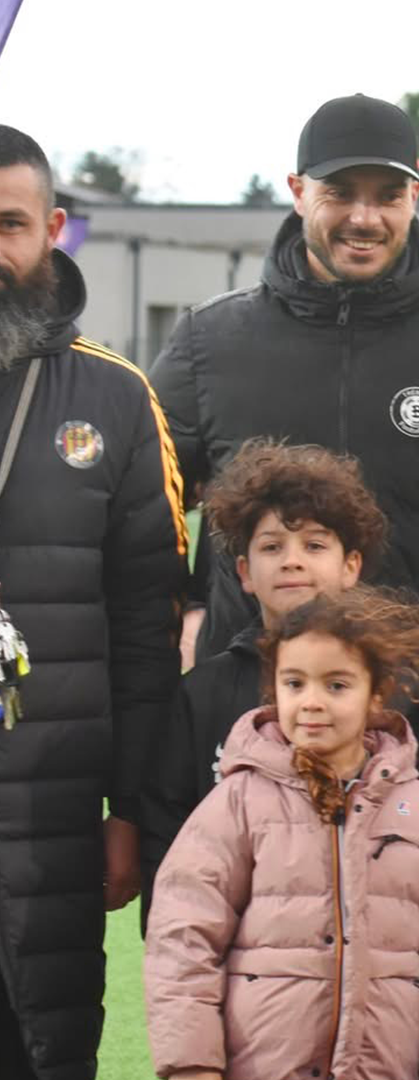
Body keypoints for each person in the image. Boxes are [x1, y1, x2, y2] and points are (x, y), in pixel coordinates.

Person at [150, 93, 419, 668]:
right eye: (339, 193)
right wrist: (191, 605)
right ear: (297, 192)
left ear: (416, 195)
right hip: (253, 686)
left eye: (387, 196)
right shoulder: (208, 341)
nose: (364, 219)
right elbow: (148, 512)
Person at [0, 124, 185, 1080]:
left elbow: (148, 633)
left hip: (55, 827)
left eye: (10, 224)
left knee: (44, 1050)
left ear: (53, 230)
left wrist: (133, 813)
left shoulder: (117, 400)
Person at [144, 588, 419, 1080]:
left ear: (376, 695)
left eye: (336, 685)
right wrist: (192, 1065)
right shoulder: (237, 803)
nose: (311, 702)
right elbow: (183, 939)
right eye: (295, 683)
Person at [140, 439, 386, 920]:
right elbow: (166, 827)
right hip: (240, 962)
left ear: (350, 566)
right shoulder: (203, 694)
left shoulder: (391, 690)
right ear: (246, 573)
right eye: (273, 547)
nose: (292, 560)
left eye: (314, 545)